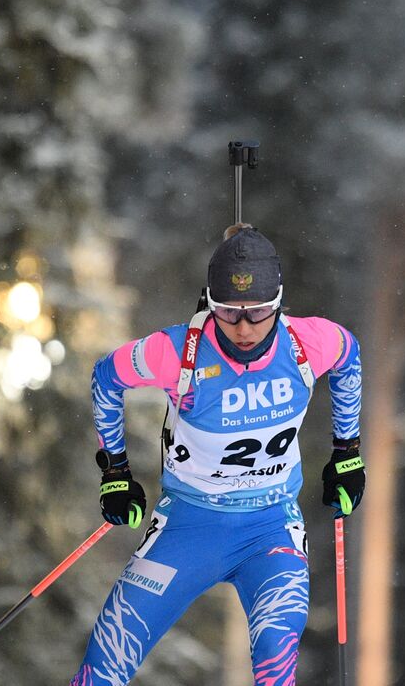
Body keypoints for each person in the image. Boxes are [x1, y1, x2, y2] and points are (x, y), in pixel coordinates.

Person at [70, 224, 365, 686]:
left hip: (270, 528)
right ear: (209, 301)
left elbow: (349, 356)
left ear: (280, 302)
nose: (244, 328)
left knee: (276, 659)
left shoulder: (309, 343)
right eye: (228, 312)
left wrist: (348, 453)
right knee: (106, 660)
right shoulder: (176, 352)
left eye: (260, 312)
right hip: (188, 526)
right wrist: (116, 471)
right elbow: (107, 377)